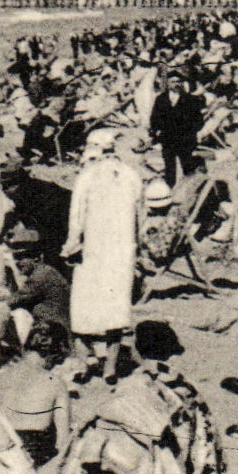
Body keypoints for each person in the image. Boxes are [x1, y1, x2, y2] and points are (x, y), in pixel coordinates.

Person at [62, 129, 144, 384]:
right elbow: (142, 219)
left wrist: (71, 247)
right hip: (121, 254)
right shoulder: (132, 176)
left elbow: (76, 219)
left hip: (93, 253)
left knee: (83, 308)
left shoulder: (87, 177)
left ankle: (84, 362)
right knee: (115, 311)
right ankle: (110, 368)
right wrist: (137, 248)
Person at [0, 321, 72, 474]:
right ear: (56, 353)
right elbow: (63, 440)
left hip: (1, 454)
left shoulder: (0, 379)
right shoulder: (55, 382)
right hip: (35, 455)